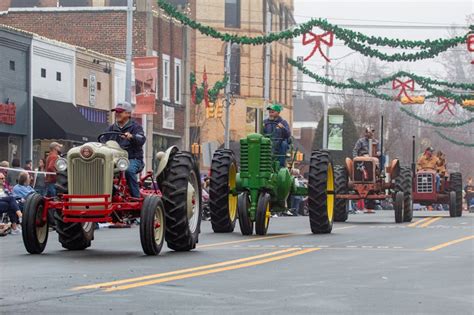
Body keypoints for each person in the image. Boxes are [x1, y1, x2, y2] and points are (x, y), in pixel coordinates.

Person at [103, 102, 146, 198]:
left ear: (128, 114)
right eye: (116, 112)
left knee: (129, 170)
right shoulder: (111, 128)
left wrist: (132, 137)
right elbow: (103, 141)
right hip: (114, 161)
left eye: (120, 112)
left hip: (133, 159)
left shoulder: (136, 127)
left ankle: (136, 197)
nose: (117, 114)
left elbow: (141, 139)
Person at [263, 103, 291, 167]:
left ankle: (281, 166)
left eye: (273, 111)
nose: (270, 112)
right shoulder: (265, 122)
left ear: (278, 112)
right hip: (268, 142)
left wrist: (282, 128)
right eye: (270, 111)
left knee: (284, 144)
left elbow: (288, 134)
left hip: (279, 142)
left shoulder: (283, 122)